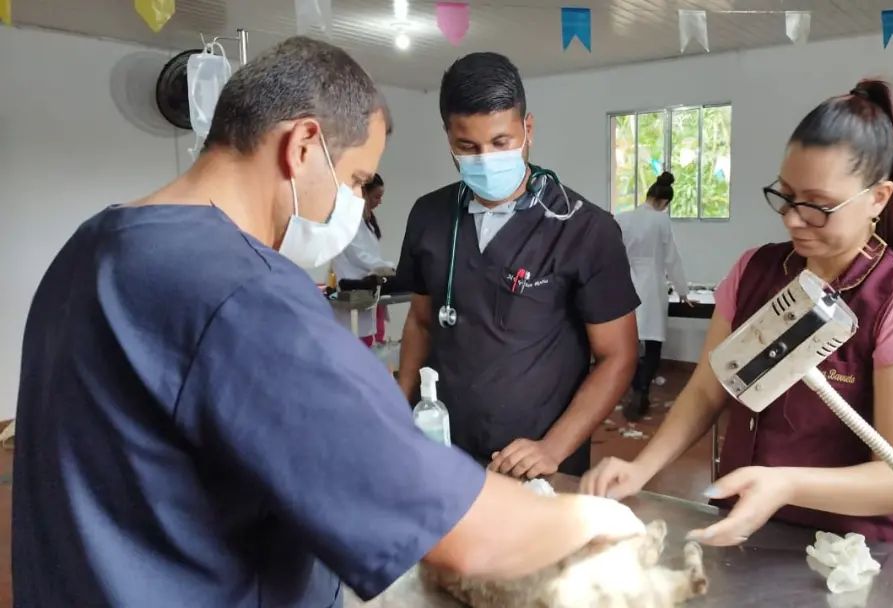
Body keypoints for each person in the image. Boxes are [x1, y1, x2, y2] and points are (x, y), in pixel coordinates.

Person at [13, 37, 645, 608]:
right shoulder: (248, 297)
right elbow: (457, 532)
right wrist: (596, 523)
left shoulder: (90, 247)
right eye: (357, 178)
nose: (354, 200)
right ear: (303, 146)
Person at [581, 80, 893, 608]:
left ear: (879, 197)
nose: (792, 219)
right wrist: (641, 468)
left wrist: (785, 484)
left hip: (856, 566)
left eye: (819, 206)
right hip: (750, 542)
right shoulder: (757, 272)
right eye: (785, 195)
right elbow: (707, 391)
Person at [395, 52, 640, 479]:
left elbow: (617, 355)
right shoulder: (429, 216)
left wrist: (553, 447)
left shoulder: (583, 228)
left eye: (501, 142)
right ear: (448, 137)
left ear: (528, 129)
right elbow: (420, 322)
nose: (485, 158)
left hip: (536, 459)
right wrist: (399, 408)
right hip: (442, 450)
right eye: (467, 147)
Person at [615, 171, 689, 422]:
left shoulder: (623, 218)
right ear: (664, 202)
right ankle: (642, 390)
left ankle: (634, 389)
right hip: (653, 288)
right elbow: (672, 259)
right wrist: (683, 291)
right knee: (654, 343)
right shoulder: (661, 221)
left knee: (630, 344)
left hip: (626, 286)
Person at [331, 172, 394, 346]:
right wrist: (389, 267)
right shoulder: (348, 220)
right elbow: (358, 255)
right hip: (353, 289)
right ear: (363, 193)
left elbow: (369, 256)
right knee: (357, 342)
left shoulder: (366, 221)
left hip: (368, 291)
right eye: (376, 196)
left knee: (372, 338)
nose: (379, 201)